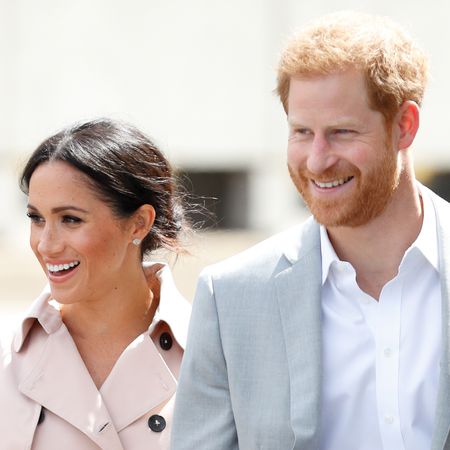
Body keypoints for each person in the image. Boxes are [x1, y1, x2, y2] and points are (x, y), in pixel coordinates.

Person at [171, 11, 450, 450]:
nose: (317, 160)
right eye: (302, 132)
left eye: (341, 132)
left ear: (404, 126)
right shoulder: (230, 298)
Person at [0, 118, 191, 449]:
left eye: (70, 220)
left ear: (138, 223)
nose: (46, 244)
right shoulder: (8, 359)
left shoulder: (212, 354)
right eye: (36, 218)